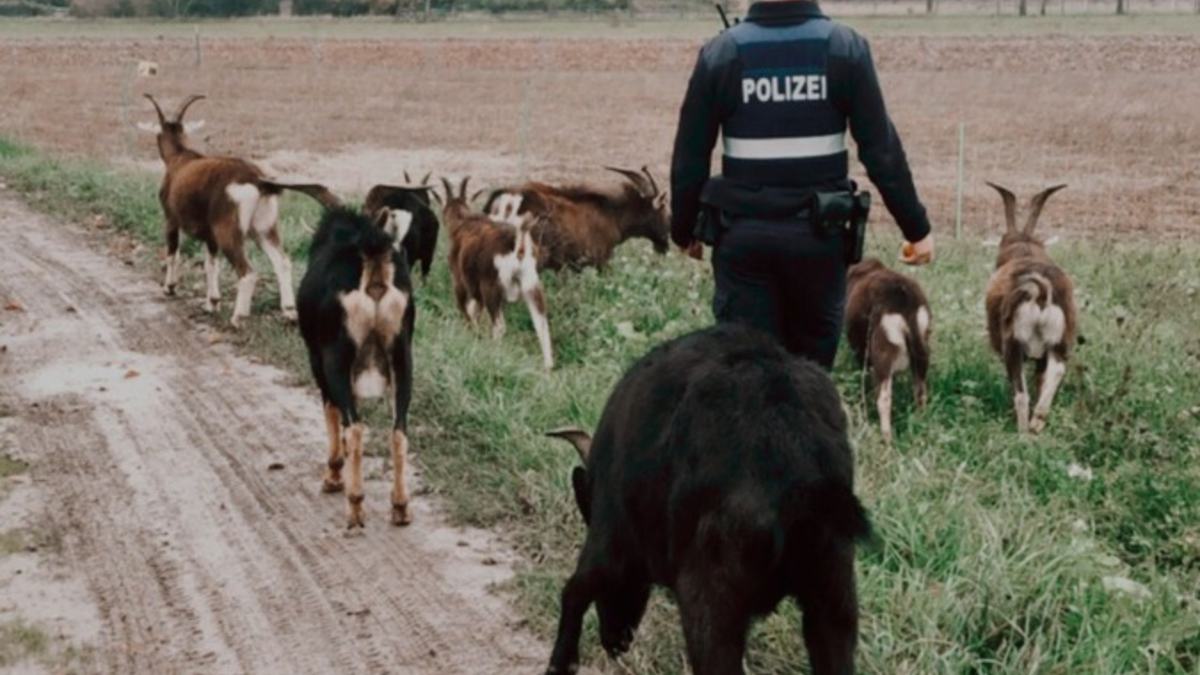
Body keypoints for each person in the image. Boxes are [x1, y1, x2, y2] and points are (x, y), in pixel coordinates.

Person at [670, 0, 934, 370]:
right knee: (809, 376)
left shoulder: (722, 53)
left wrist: (683, 230)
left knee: (749, 376)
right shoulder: (844, 48)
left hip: (744, 242)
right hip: (818, 243)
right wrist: (916, 229)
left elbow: (690, 157)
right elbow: (881, 151)